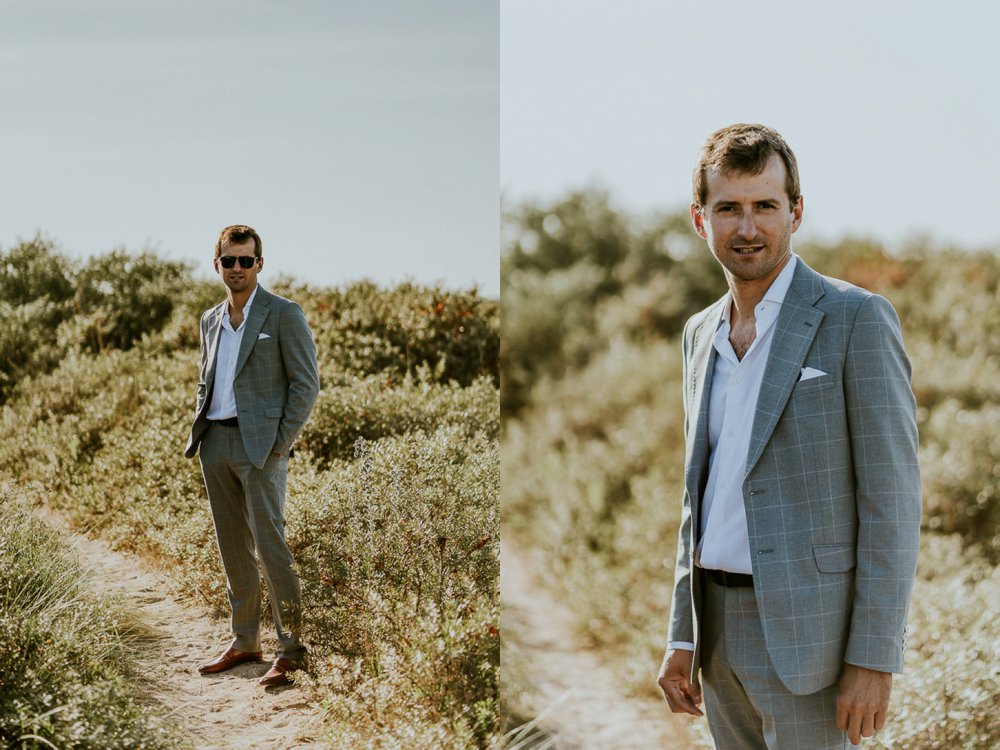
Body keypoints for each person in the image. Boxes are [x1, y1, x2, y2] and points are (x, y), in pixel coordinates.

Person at [656, 124, 921, 748]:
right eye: (729, 209)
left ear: (795, 212)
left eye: (765, 207)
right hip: (716, 635)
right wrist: (682, 635)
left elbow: (893, 500)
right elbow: (699, 501)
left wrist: (874, 657)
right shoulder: (699, 334)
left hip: (817, 646)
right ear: (701, 220)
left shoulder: (856, 318)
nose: (748, 228)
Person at [184, 224, 320, 688]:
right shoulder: (209, 319)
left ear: (259, 264)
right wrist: (202, 427)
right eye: (229, 260)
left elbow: (306, 385)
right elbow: (208, 380)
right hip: (215, 442)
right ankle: (245, 641)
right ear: (217, 264)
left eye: (246, 260)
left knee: (271, 546)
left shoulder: (283, 314)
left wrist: (281, 442)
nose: (237, 268)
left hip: (263, 448)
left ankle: (292, 649)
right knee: (233, 548)